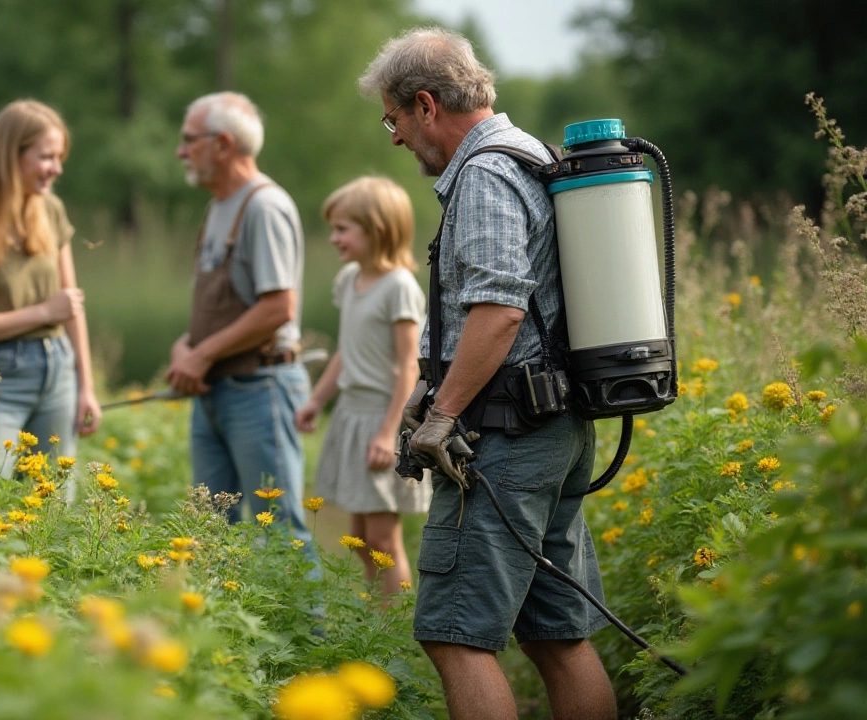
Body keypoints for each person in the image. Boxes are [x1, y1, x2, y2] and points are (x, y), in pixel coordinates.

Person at [359, 27, 617, 720]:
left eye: (394, 119)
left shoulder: (485, 174)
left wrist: (443, 415)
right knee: (555, 636)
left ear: (425, 104)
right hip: (552, 426)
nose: (395, 138)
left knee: (454, 637)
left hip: (507, 437)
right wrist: (429, 389)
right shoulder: (530, 152)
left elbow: (499, 311)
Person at [165, 92, 312, 547]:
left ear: (223, 144)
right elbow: (224, 306)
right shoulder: (218, 208)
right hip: (216, 390)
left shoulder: (263, 207)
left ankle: (306, 624)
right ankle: (219, 621)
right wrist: (186, 347)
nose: (181, 150)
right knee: (210, 527)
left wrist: (201, 354)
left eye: (190, 140)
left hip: (260, 389)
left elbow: (277, 308)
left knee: (279, 529)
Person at [0, 99, 102, 483]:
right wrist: (43, 313)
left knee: (50, 508)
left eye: (60, 157)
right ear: (11, 156)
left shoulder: (51, 211)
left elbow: (71, 307)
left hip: (60, 373)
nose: (56, 169)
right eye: (46, 157)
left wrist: (86, 388)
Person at [295, 176, 430, 594]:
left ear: (377, 230)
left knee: (381, 539)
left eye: (342, 229)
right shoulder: (349, 281)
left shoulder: (399, 287)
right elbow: (345, 352)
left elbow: (410, 365)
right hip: (352, 415)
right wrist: (317, 400)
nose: (333, 238)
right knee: (358, 537)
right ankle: (375, 616)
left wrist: (390, 432)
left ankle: (393, 631)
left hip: (382, 419)